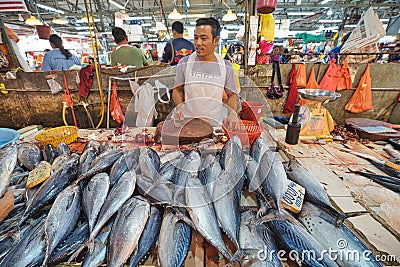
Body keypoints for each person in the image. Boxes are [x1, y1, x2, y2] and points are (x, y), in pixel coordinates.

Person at [172, 17, 239, 128]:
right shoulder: (184, 63)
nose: (198, 43)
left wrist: (233, 113)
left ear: (216, 41)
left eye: (203, 38)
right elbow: (177, 90)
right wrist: (179, 107)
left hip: (215, 125)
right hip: (188, 125)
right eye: (196, 38)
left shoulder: (225, 66)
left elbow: (232, 95)